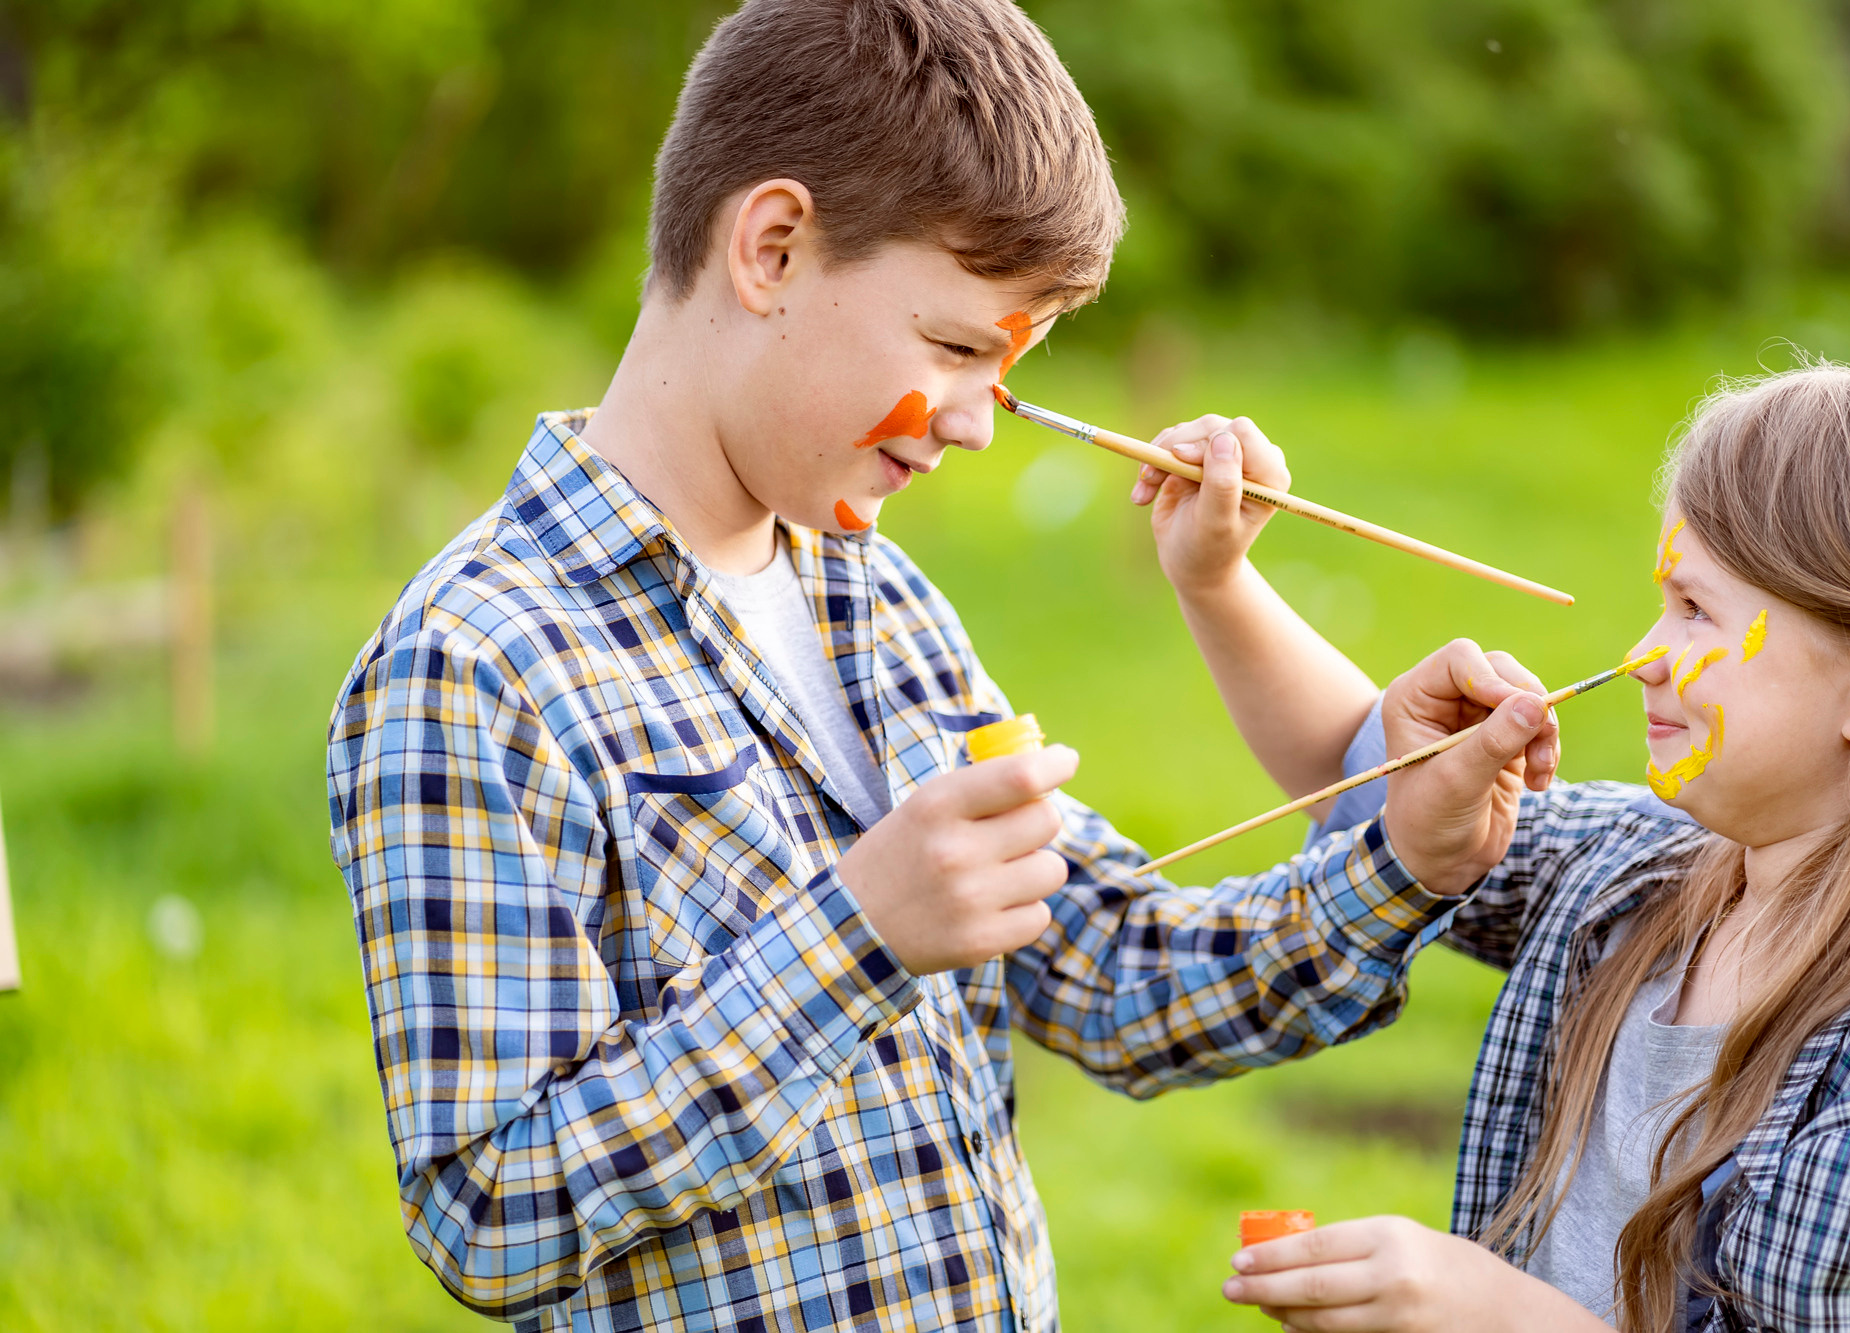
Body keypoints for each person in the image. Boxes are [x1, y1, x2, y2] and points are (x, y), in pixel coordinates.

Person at [323, 2, 1564, 1328]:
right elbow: (489, 1215)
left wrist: (1406, 859)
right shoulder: (474, 666)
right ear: (774, 247)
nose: (975, 424)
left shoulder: (878, 599)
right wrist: (859, 935)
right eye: (959, 349)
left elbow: (1112, 971)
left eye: (1009, 375)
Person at [1213, 365, 1850, 1332]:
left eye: (1696, 610)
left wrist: (1494, 1312)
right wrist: (1217, 579)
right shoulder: (1639, 874)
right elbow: (1365, 781)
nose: (1643, 654)